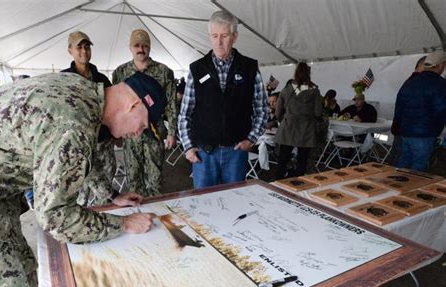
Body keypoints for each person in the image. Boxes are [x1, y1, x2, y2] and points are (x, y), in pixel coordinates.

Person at [0, 71, 166, 287]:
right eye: (142, 125)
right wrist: (123, 225)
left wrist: (111, 196)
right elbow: (56, 218)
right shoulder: (73, 123)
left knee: (23, 275)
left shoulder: (83, 94)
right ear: (133, 105)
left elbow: (76, 158)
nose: (137, 133)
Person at [178, 10, 269, 188]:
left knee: (234, 202)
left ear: (234, 36)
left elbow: (262, 109)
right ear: (209, 36)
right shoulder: (197, 69)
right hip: (204, 153)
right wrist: (188, 147)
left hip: (236, 152)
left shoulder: (249, 68)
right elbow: (184, 114)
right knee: (204, 203)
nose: (218, 42)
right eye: (214, 36)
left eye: (224, 36)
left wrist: (251, 138)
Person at [112, 29, 177, 197]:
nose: (141, 49)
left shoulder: (164, 72)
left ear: (149, 47)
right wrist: (116, 133)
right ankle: (137, 216)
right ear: (130, 48)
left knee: (154, 181)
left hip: (154, 133)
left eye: (144, 45)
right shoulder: (120, 72)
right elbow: (116, 107)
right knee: (133, 181)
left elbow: (171, 105)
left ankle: (156, 215)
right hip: (130, 136)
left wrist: (172, 132)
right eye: (136, 45)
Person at [61, 31, 116, 206]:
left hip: (103, 144)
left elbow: (113, 108)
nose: (84, 51)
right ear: (70, 50)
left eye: (87, 47)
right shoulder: (64, 79)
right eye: (79, 47)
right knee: (80, 191)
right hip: (78, 146)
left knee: (106, 191)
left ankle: (105, 218)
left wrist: (116, 134)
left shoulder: (102, 79)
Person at [394, 50, 446, 171]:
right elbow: (441, 109)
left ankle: (395, 187)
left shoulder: (410, 82)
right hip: (425, 133)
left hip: (406, 131)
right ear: (440, 65)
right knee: (418, 167)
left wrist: (399, 128)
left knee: (403, 162)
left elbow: (399, 107)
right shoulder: (441, 84)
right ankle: (411, 189)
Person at [275, 62, 323, 179]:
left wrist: (284, 119)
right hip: (306, 128)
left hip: (288, 126)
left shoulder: (287, 89)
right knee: (302, 159)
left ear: (296, 73)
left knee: (283, 159)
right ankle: (298, 184)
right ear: (309, 73)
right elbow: (318, 112)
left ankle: (279, 181)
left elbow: (277, 112)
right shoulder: (315, 90)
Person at [388, 55, 426, 165]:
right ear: (421, 66)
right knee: (403, 159)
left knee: (399, 156)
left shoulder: (411, 81)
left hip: (403, 127)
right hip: (408, 128)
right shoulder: (417, 82)